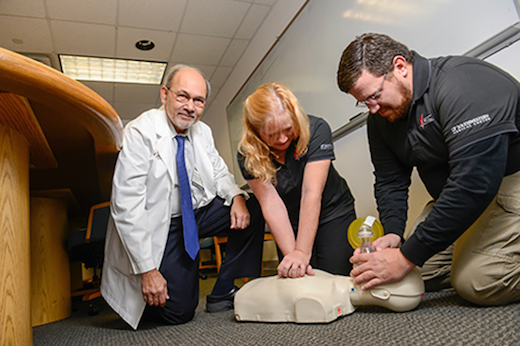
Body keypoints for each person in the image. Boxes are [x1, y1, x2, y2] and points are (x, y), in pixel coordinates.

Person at [337, 32, 520, 306]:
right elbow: (390, 180)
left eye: (374, 95)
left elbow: (473, 183)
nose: (372, 109)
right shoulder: (381, 118)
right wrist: (394, 235)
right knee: (419, 273)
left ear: (400, 66)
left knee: (478, 281)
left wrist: (405, 256)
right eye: (364, 102)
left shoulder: (462, 83)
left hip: (507, 183)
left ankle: (481, 260)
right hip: (464, 194)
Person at [101, 64, 265, 330]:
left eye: (198, 100)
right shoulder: (141, 132)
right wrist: (148, 271)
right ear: (165, 95)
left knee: (254, 207)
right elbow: (126, 205)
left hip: (197, 214)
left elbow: (220, 171)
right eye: (183, 96)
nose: (190, 106)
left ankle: (223, 288)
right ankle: (135, 301)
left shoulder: (203, 132)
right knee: (179, 312)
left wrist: (236, 197)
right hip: (161, 226)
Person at [237, 82, 357, 279]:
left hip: (332, 211)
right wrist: (295, 255)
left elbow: (311, 193)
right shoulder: (247, 154)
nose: (283, 139)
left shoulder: (317, 129)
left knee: (334, 278)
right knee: (298, 276)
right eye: (271, 134)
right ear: (256, 132)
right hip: (289, 220)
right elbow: (271, 206)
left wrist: (302, 252)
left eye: (287, 129)